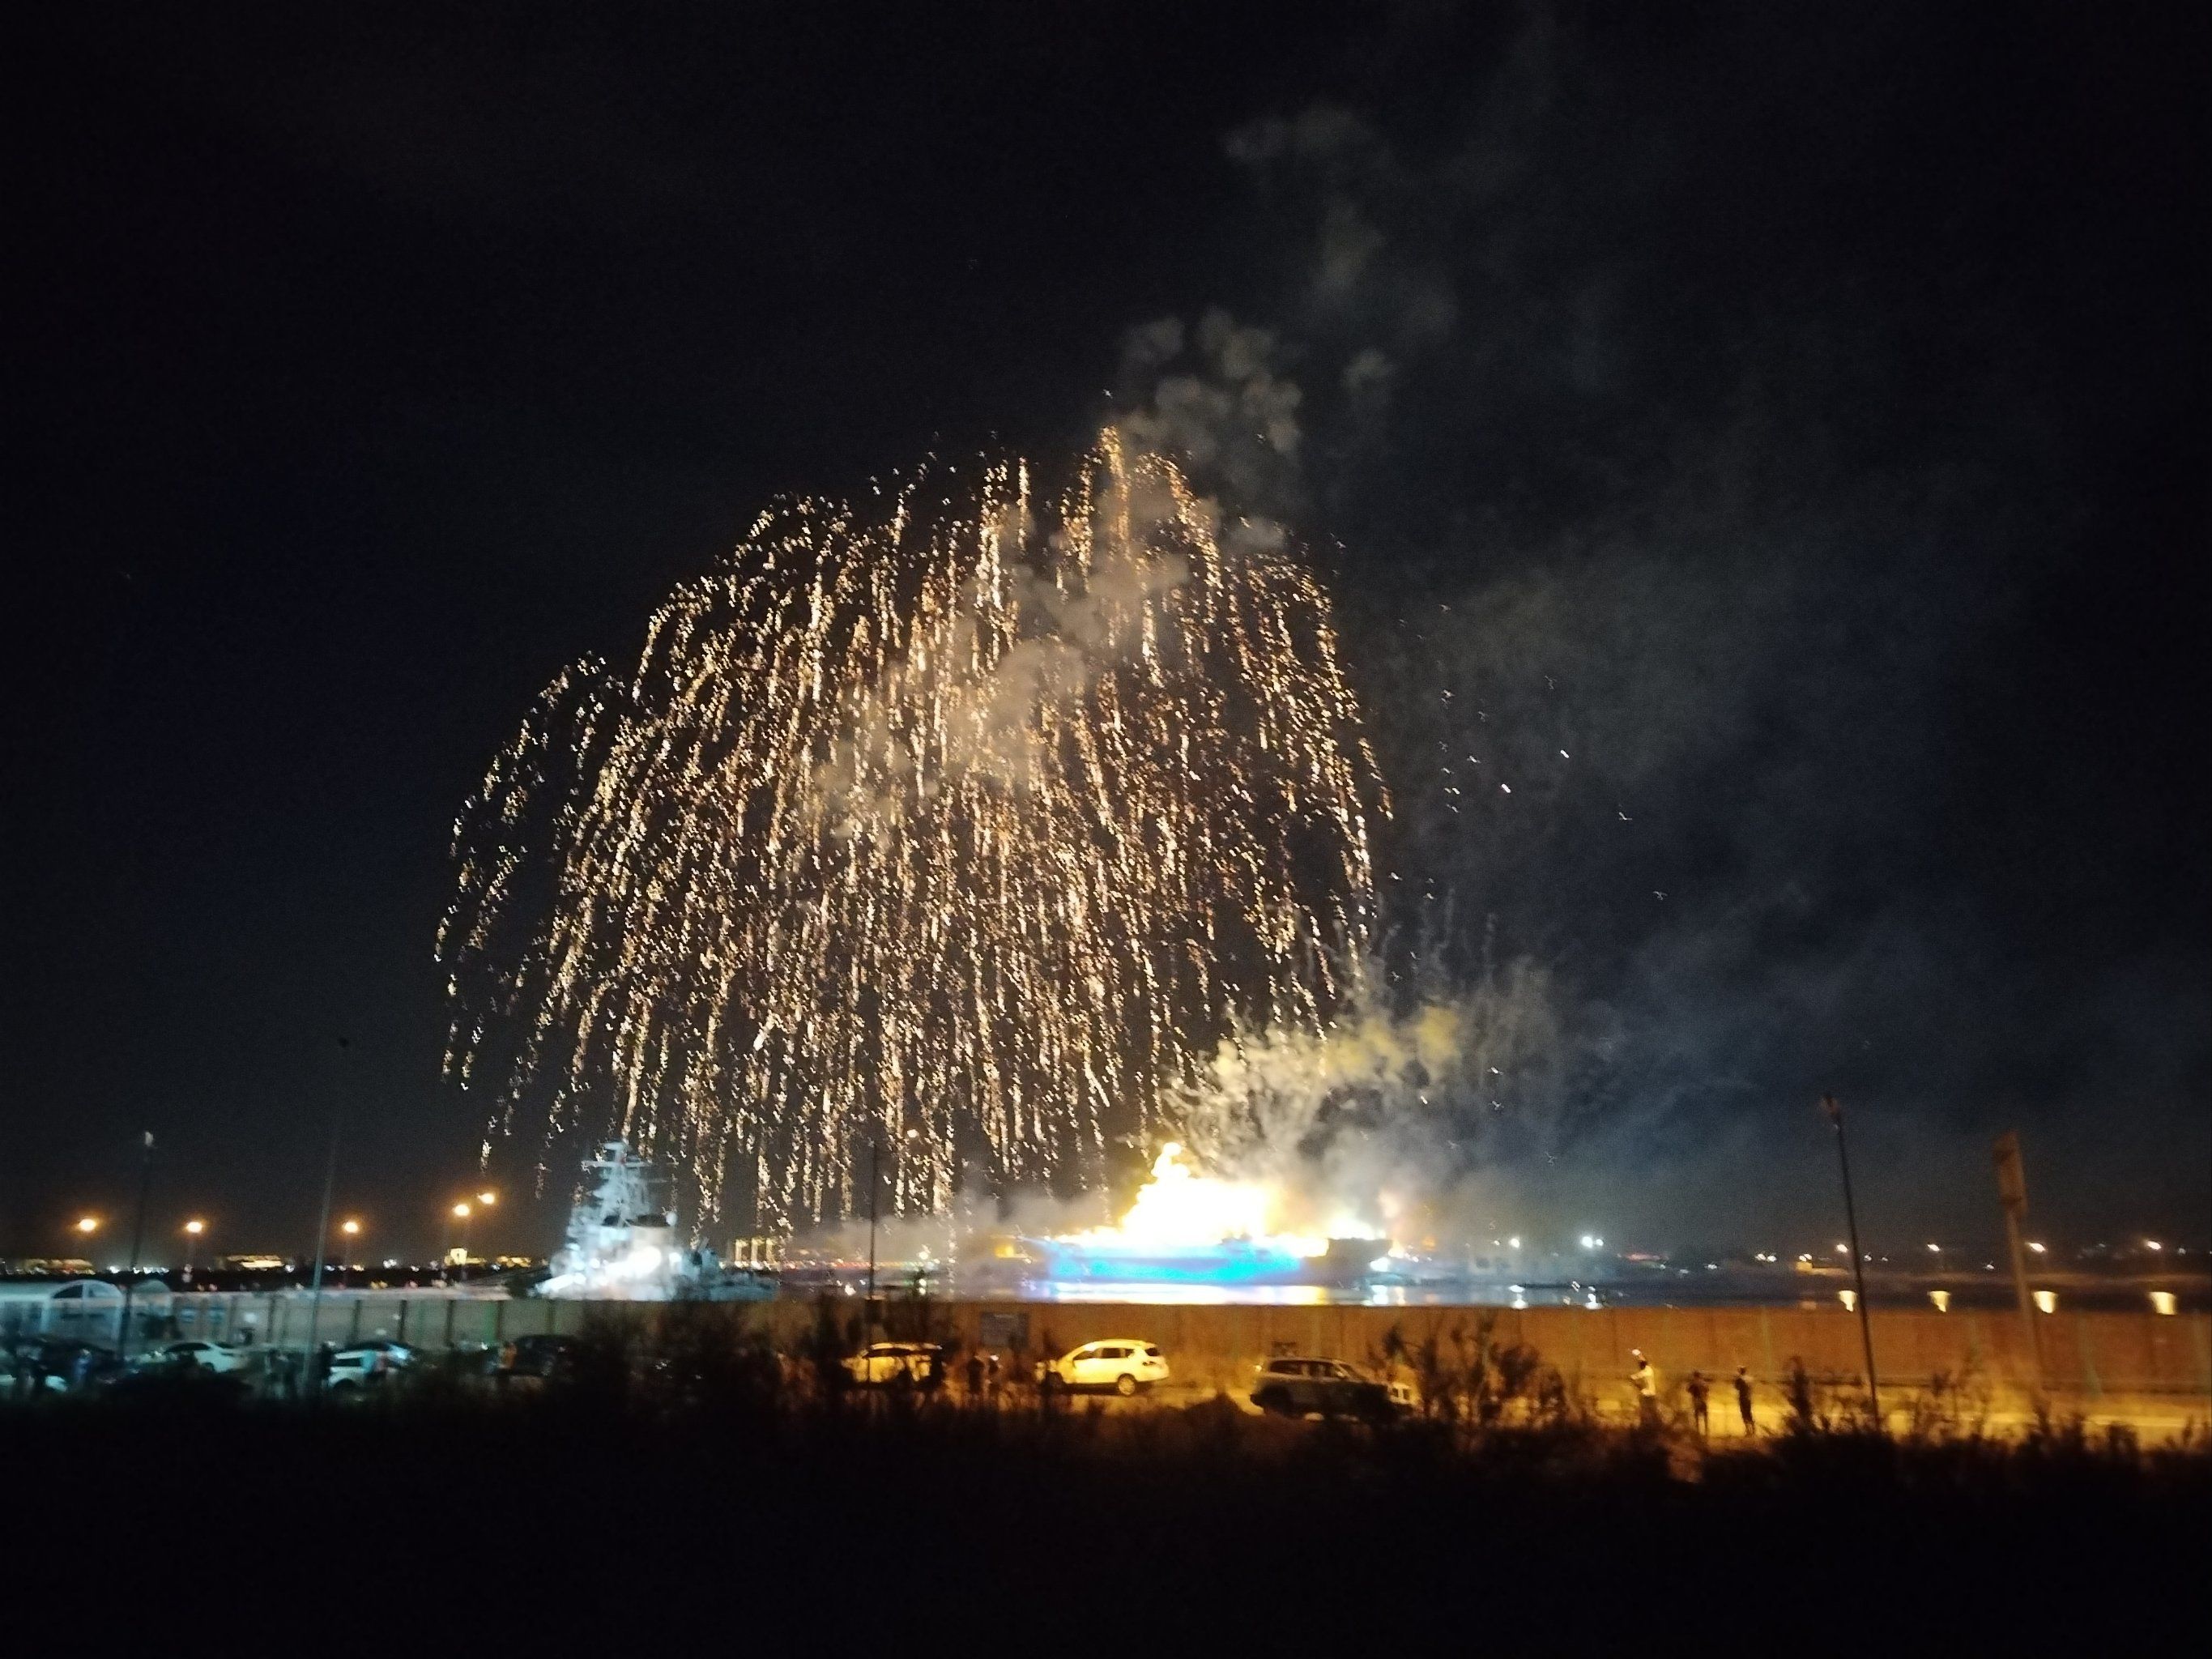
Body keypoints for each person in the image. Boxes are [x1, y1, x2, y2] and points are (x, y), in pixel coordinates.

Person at [1629, 1349, 1658, 1427]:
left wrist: (1633, 1382)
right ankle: (1654, 1423)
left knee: (1645, 1410)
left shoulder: (1644, 1373)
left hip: (1646, 1395)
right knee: (1653, 1410)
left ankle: (1645, 1424)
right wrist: (1639, 1354)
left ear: (1642, 1366)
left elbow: (1633, 1377)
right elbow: (1644, 1361)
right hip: (1653, 1394)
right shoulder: (1649, 1369)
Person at [1686, 1370, 1710, 1435]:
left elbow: (1688, 1390)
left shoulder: (1693, 1383)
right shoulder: (1704, 1383)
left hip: (1696, 1400)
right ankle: (1706, 1429)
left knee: (1697, 1415)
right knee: (1705, 1415)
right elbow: (1707, 1390)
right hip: (1703, 1400)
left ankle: (1697, 1429)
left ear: (1695, 1376)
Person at [1734, 1366, 1755, 1435]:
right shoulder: (1750, 1379)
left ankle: (1748, 1429)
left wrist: (1736, 1378)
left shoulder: (1740, 1379)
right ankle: (1753, 1428)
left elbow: (1736, 1387)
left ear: (1740, 1371)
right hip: (1749, 1398)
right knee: (1749, 1414)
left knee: (1744, 1414)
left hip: (1742, 1399)